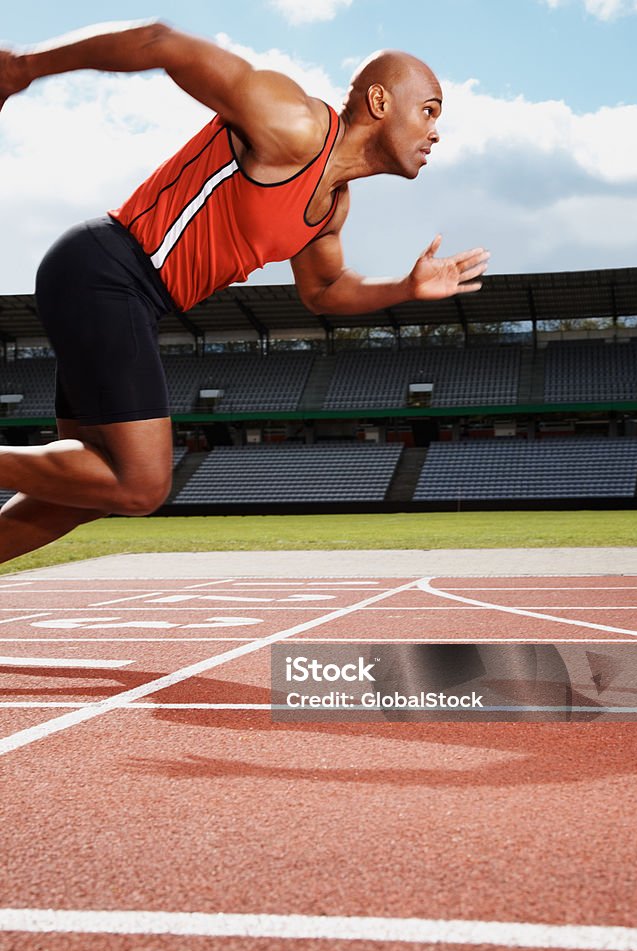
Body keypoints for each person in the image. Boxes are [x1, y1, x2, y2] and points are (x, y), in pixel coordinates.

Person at [0, 21, 489, 563]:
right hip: (109, 268)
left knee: (83, 490)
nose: (435, 132)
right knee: (139, 484)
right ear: (379, 100)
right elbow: (163, 43)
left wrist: (405, 285)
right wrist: (19, 68)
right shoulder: (294, 124)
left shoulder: (331, 205)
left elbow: (325, 290)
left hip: (123, 292)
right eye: (429, 110)